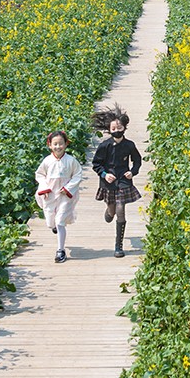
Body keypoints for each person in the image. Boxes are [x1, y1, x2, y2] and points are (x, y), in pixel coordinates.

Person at [91, 109, 142, 258]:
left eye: (119, 128)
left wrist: (132, 172)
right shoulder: (104, 146)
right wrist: (105, 175)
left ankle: (118, 246)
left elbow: (137, 160)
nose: (117, 131)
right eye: (113, 129)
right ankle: (108, 212)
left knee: (120, 209)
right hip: (108, 182)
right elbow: (96, 164)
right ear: (109, 130)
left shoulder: (130, 145)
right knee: (112, 211)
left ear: (124, 128)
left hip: (123, 181)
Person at [35, 130, 82, 263]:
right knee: (51, 221)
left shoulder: (71, 161)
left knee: (60, 220)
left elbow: (77, 174)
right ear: (50, 145)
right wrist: (44, 187)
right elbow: (39, 174)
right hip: (50, 194)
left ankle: (60, 250)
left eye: (61, 144)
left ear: (66, 144)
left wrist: (68, 188)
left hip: (65, 195)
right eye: (55, 144)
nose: (58, 147)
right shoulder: (47, 161)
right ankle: (54, 226)